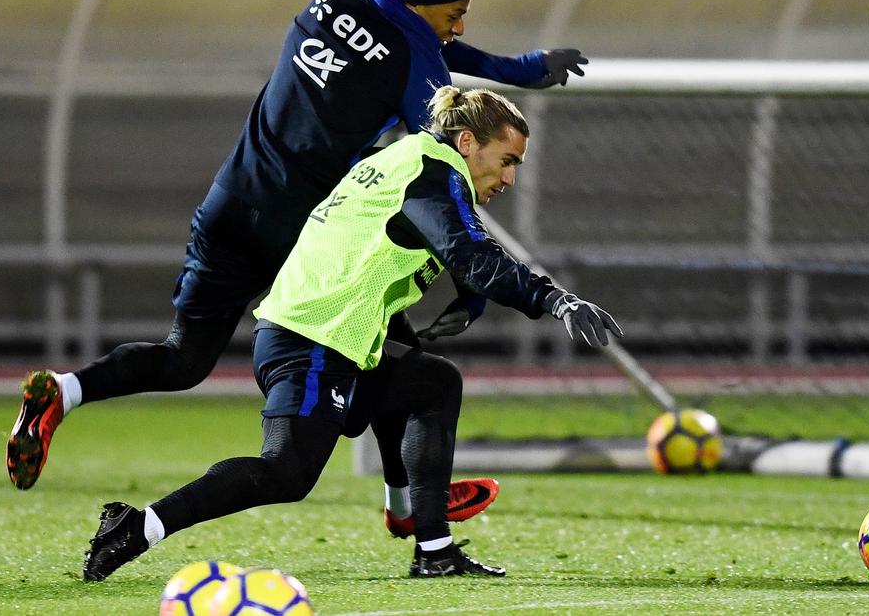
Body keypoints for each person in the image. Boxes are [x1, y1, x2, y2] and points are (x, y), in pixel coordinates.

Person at [6, 0, 588, 534]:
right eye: (454, 13)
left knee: (184, 358)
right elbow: (448, 165)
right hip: (300, 232)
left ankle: (64, 393)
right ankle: (410, 507)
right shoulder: (417, 65)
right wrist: (474, 285)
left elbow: (422, 40)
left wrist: (520, 67)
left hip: (231, 199)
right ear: (424, 5)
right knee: (396, 357)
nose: (461, 26)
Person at [82, 85, 622, 581]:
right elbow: (469, 251)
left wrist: (469, 297)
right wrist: (556, 298)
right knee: (286, 473)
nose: (509, 179)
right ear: (466, 142)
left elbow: (398, 247)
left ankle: (431, 545)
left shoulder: (402, 157)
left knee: (430, 383)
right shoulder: (433, 171)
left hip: (329, 334)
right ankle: (137, 526)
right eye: (507, 161)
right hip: (313, 339)